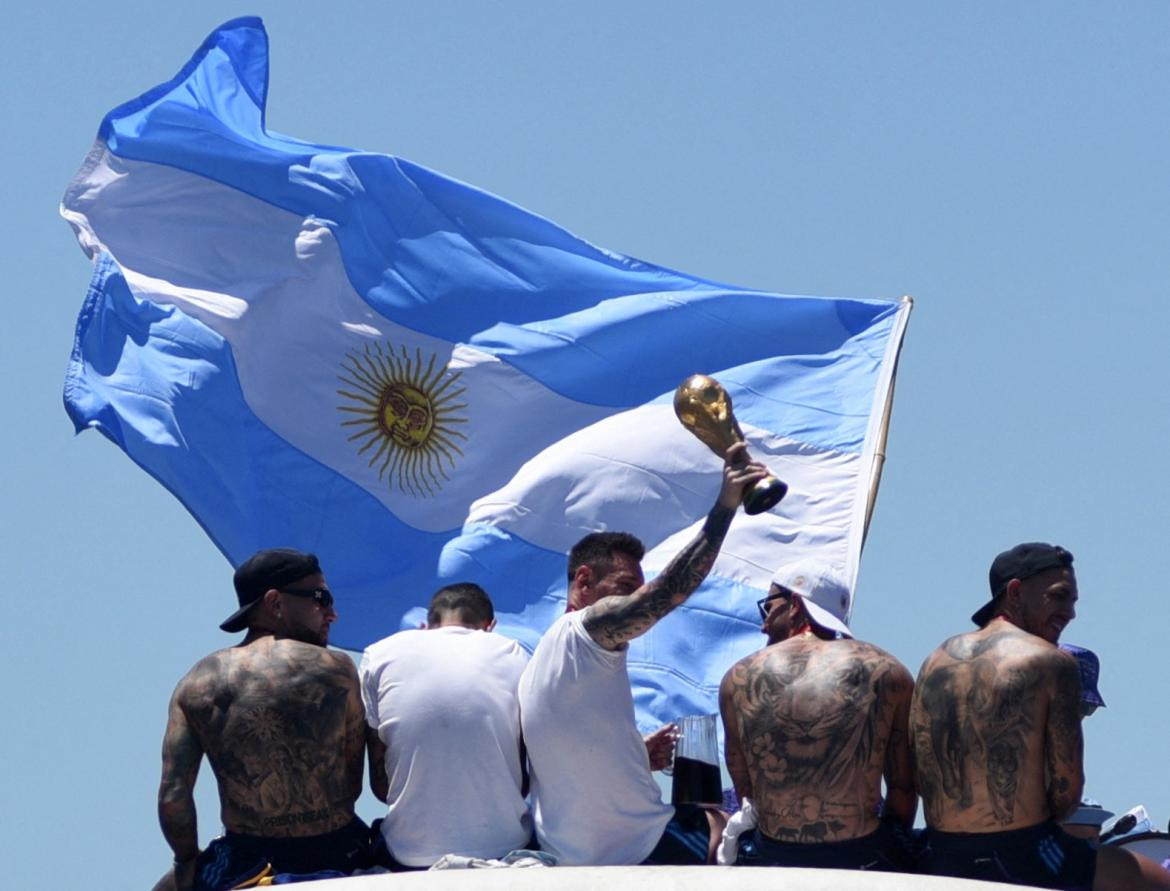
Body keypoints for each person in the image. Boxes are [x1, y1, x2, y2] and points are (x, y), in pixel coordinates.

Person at [517, 442, 767, 866]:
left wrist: (635, 752)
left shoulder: (545, 659)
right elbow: (666, 593)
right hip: (641, 848)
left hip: (568, 854)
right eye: (624, 587)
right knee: (730, 827)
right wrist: (726, 506)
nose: (634, 598)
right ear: (583, 582)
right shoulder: (584, 629)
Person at [911, 542, 1170, 890]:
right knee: (1156, 881)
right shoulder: (1052, 662)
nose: (1071, 612)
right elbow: (1067, 793)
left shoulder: (934, 661)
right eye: (1060, 596)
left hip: (940, 853)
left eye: (1073, 601)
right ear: (1015, 592)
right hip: (1022, 854)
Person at [155, 549, 369, 891]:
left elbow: (174, 795)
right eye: (321, 597)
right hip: (341, 852)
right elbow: (353, 783)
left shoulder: (196, 683)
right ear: (275, 602)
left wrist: (185, 863)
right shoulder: (338, 670)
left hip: (247, 863)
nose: (332, 613)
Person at [719, 560, 916, 870]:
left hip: (774, 854)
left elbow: (748, 791)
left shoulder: (739, 677)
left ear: (796, 605)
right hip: (862, 853)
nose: (763, 624)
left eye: (768, 607)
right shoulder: (888, 670)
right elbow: (903, 788)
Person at [359, 582, 532, 869]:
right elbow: (524, 782)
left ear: (425, 625)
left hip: (408, 854)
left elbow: (381, 787)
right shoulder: (513, 653)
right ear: (490, 626)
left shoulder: (379, 654)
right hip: (506, 848)